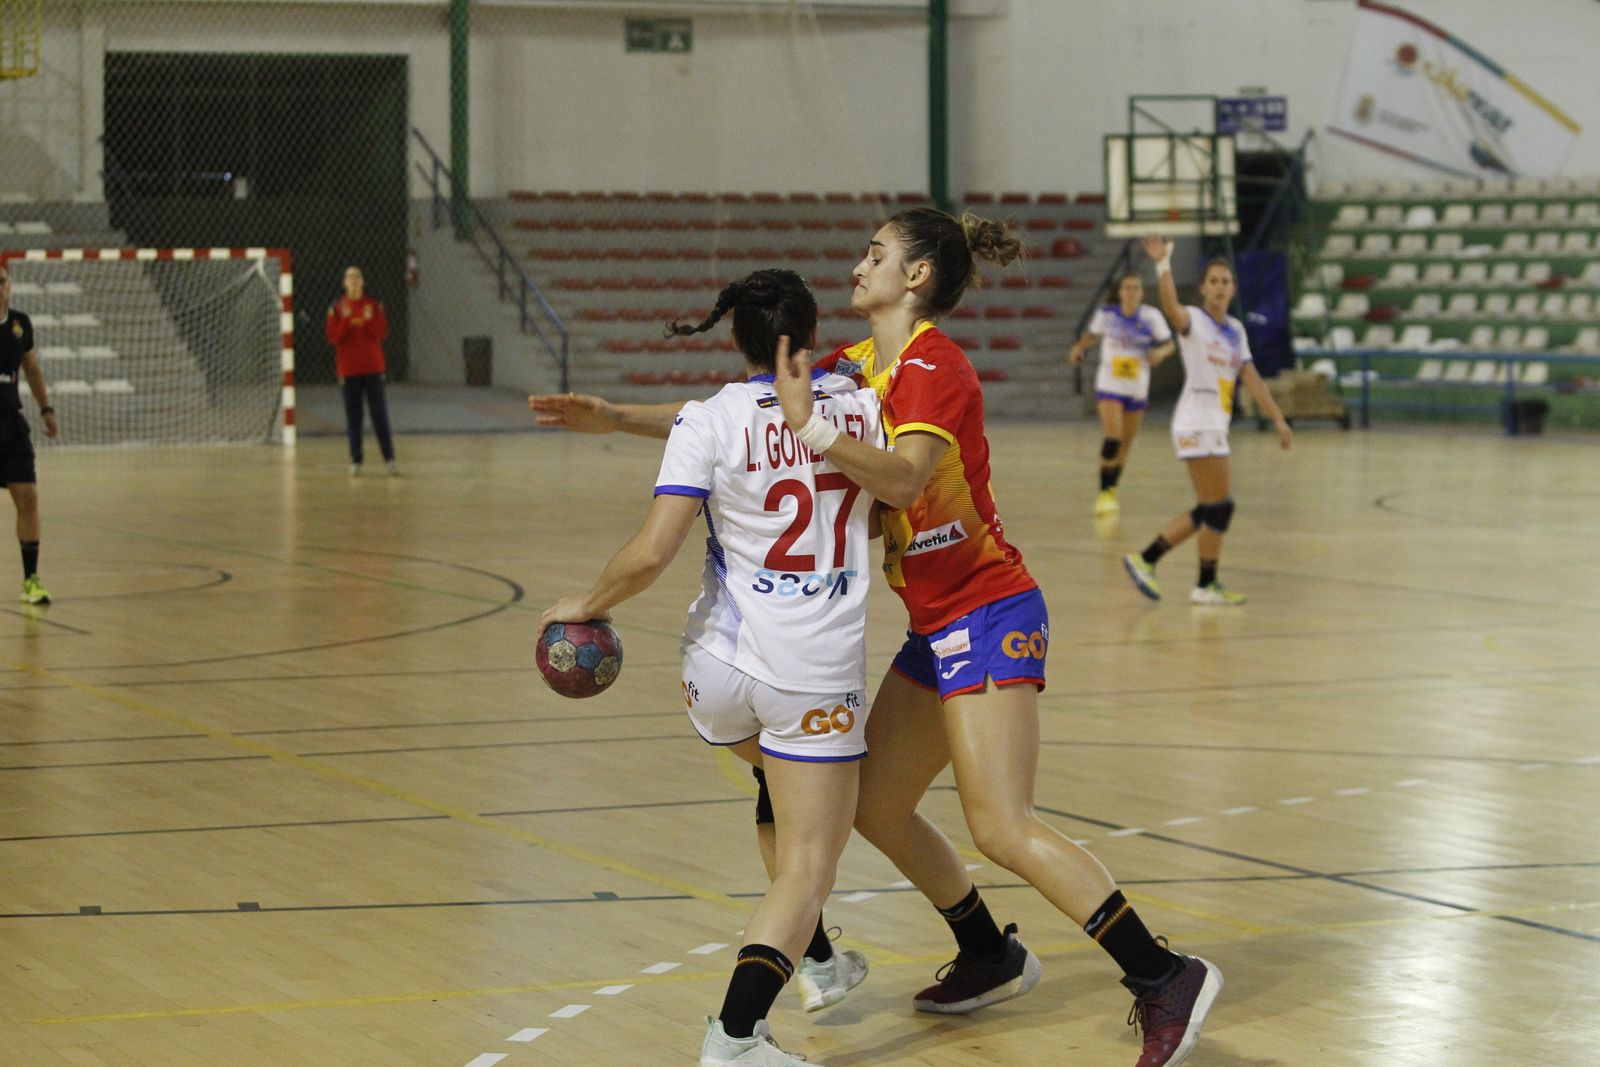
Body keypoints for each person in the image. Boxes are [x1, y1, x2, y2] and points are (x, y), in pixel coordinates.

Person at [537, 210, 1226, 1066]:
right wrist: (615, 416)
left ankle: (1162, 975)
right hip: (935, 624)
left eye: (876, 255)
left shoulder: (937, 365)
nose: (858, 266)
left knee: (1001, 826)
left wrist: (818, 429)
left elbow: (904, 475)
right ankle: (988, 951)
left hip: (991, 608)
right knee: (869, 802)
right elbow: (747, 414)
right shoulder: (858, 366)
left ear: (917, 278)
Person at [539, 269, 882, 1067]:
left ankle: (822, 957)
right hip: (812, 671)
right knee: (809, 863)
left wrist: (586, 604)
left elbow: (654, 550)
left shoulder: (709, 417)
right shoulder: (863, 405)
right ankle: (734, 1037)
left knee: (778, 781)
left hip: (715, 675)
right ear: (813, 329)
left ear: (738, 338)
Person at [1121, 237, 1292, 606]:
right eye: (1212, 281)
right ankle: (1168, 569)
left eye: (1224, 281)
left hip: (1216, 425)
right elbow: (1170, 307)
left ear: (1232, 288)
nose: (1219, 287)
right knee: (1217, 506)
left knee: (1214, 508)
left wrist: (1278, 419)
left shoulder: (1235, 330)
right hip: (1194, 420)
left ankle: (1183, 574)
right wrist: (1163, 265)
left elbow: (1251, 378)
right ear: (1203, 288)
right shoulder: (1195, 321)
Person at [1067, 272, 1175, 517]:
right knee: (1113, 437)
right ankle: (1103, 491)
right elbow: (1090, 336)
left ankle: (1111, 489)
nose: (1132, 292)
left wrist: (1161, 353)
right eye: (1127, 287)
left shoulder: (1151, 317)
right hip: (1110, 385)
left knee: (1126, 442)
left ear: (1141, 292)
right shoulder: (1107, 315)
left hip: (1136, 387)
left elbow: (1169, 344)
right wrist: (1079, 348)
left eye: (1136, 287)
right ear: (1120, 292)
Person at [0, 261, 59, 605]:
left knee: (28, 498)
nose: (0, 287)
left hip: (10, 425)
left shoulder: (20, 324)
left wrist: (46, 409)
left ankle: (31, 581)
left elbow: (32, 369)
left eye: (3, 281)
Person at [326, 266, 397, 476]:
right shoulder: (337, 307)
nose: (354, 280)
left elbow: (381, 331)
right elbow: (334, 337)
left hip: (373, 368)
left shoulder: (373, 305)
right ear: (344, 282)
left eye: (357, 276)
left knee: (379, 414)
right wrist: (348, 321)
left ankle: (390, 458)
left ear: (363, 281)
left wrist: (367, 321)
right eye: (349, 276)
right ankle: (356, 460)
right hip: (349, 370)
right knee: (353, 416)